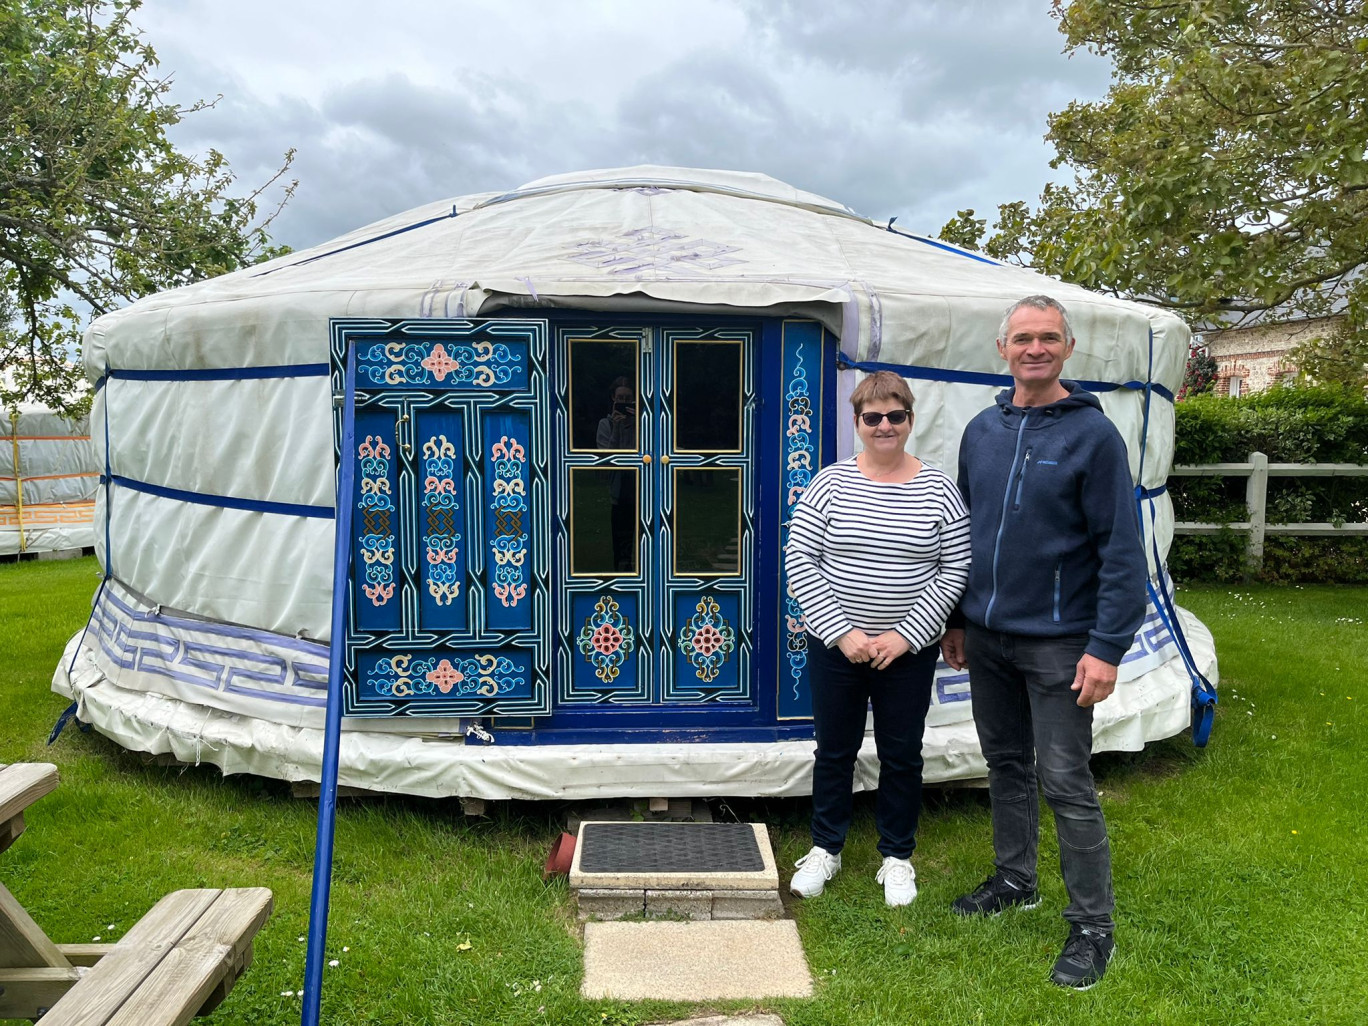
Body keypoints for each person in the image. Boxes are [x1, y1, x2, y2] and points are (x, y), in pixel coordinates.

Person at [940, 295, 1147, 989]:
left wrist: (1108, 646)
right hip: (990, 636)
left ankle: (1093, 926)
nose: (1035, 348)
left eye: (1048, 338)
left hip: (1063, 642)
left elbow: (1121, 550)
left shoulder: (1095, 437)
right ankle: (1014, 879)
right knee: (1004, 762)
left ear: (1068, 346)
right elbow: (967, 531)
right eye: (1023, 338)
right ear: (1002, 349)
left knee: (1065, 779)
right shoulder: (981, 431)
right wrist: (957, 619)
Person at [784, 371, 971, 907]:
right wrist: (842, 632)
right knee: (835, 751)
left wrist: (907, 635)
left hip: (907, 653)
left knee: (902, 752)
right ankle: (826, 848)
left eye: (895, 416)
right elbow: (802, 559)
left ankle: (897, 856)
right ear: (858, 423)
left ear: (911, 420)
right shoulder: (829, 484)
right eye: (873, 417)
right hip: (837, 647)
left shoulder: (938, 490)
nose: (884, 426)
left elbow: (954, 566)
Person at [596, 377, 637, 572]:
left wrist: (634, 422)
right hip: (619, 493)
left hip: (642, 491)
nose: (623, 401)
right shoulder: (605, 424)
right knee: (621, 547)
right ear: (613, 398)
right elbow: (607, 461)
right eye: (620, 397)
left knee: (644, 543)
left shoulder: (643, 423)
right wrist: (617, 427)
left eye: (627, 398)